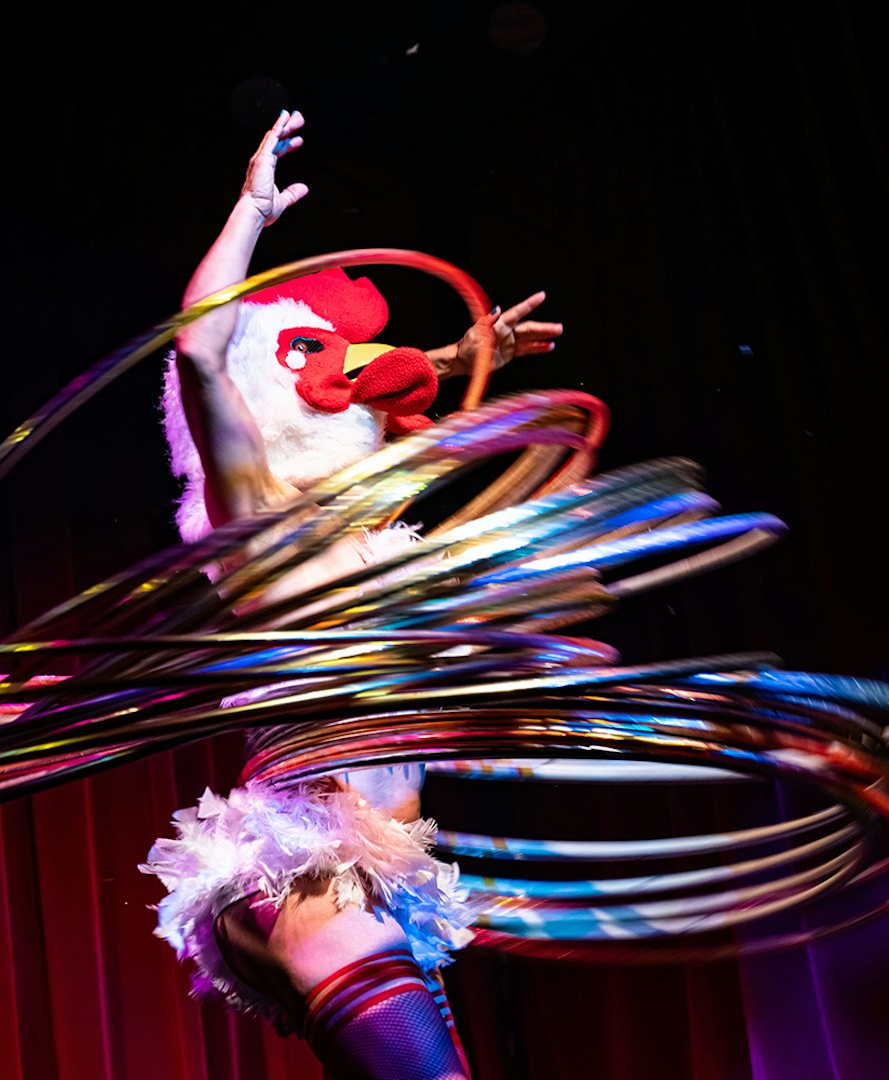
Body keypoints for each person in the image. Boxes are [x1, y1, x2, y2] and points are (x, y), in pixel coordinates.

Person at [143, 110, 562, 1079]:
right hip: (318, 878)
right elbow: (204, 354)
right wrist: (250, 214)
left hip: (379, 887)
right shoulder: (261, 521)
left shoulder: (375, 546)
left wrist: (461, 361)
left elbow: (386, 420)